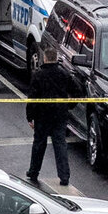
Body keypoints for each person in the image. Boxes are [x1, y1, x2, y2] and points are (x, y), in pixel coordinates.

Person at [25, 47, 78, 186]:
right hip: (60, 115)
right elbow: (77, 91)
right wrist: (69, 106)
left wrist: (29, 117)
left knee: (39, 144)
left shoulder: (38, 75)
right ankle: (64, 176)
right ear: (56, 58)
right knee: (60, 145)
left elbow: (32, 98)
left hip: (42, 116)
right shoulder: (64, 74)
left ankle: (33, 172)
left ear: (45, 58)